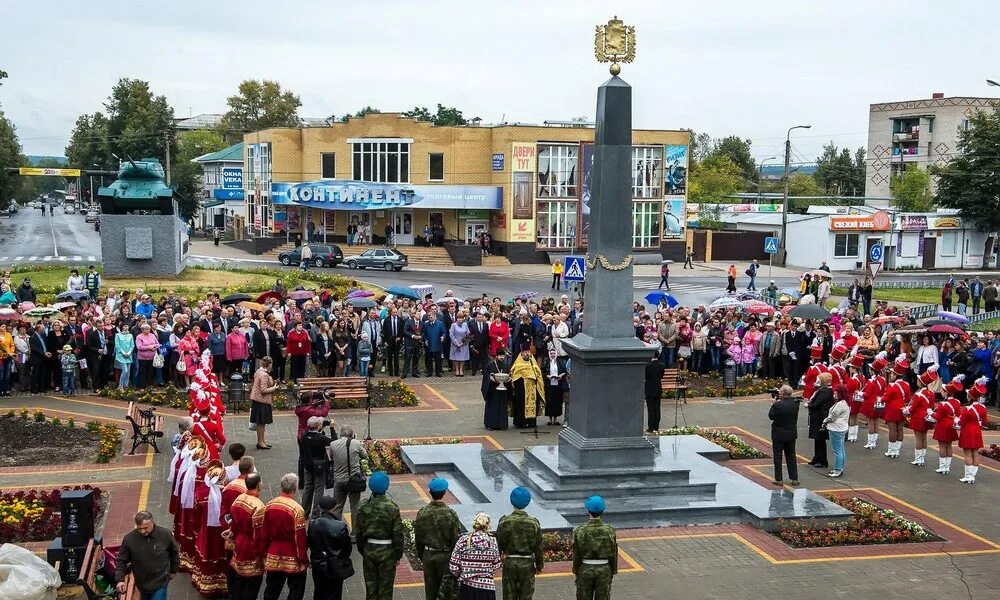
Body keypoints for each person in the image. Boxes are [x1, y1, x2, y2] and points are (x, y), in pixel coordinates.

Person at [355, 471, 404, 600]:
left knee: (371, 589)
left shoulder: (363, 506)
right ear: (386, 487)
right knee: (386, 590)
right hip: (387, 553)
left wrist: (363, 550)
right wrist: (398, 555)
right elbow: (398, 535)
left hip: (369, 550)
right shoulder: (392, 508)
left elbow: (358, 533)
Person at [261, 473, 309, 600]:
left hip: (273, 553)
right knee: (296, 590)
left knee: (271, 590)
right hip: (292, 553)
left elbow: (264, 533)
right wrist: (303, 560)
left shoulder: (269, 505)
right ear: (295, 488)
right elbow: (300, 539)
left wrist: (264, 554)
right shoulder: (297, 510)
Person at [414, 478, 462, 600]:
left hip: (429, 555)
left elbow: (418, 538)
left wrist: (423, 555)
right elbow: (456, 539)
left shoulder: (423, 513)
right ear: (445, 492)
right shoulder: (450, 514)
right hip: (446, 556)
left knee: (430, 591)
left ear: (430, 492)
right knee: (446, 591)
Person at [116, 511, 180, 600]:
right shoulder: (129, 539)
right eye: (139, 528)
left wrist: (173, 570)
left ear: (152, 523)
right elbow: (121, 560)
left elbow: (174, 553)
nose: (142, 531)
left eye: (145, 527)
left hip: (160, 582)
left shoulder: (165, 534)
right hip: (142, 584)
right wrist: (120, 580)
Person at [497, 487, 543, 600]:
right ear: (527, 502)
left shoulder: (504, 522)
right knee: (526, 596)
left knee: (508, 596)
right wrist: (539, 566)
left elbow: (499, 544)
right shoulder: (533, 524)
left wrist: (498, 560)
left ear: (511, 501)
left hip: (510, 564)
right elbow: (538, 548)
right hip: (527, 564)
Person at [227, 473, 266, 600]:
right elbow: (259, 536)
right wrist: (260, 556)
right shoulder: (258, 506)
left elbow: (232, 521)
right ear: (258, 484)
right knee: (251, 585)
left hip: (239, 544)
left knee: (239, 580)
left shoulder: (238, 499)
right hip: (251, 548)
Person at [308, 495, 354, 600]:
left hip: (318, 564)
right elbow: (347, 548)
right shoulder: (340, 526)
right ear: (333, 508)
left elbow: (310, 543)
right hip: (335, 566)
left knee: (318, 591)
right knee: (334, 593)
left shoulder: (312, 524)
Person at [572, 495, 617, 600]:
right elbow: (613, 552)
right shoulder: (610, 530)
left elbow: (577, 554)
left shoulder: (580, 531)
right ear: (602, 511)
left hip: (585, 568)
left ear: (588, 510)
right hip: (604, 569)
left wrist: (576, 571)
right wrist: (613, 570)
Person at [449, 512, 501, 600]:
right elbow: (496, 565)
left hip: (467, 587)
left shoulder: (463, 540)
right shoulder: (492, 542)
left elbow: (454, 567)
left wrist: (462, 574)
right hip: (487, 589)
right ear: (487, 525)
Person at [328, 425, 368, 531]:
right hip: (353, 480)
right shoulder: (355, 443)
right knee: (355, 506)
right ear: (352, 435)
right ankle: (354, 534)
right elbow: (365, 455)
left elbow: (331, 458)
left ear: (340, 434)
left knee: (337, 506)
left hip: (339, 480)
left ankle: (335, 532)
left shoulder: (333, 444)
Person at [300, 416, 334, 519]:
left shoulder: (304, 436)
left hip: (308, 465)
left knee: (307, 488)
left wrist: (320, 429)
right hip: (319, 466)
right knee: (319, 490)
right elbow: (334, 442)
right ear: (318, 426)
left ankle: (304, 512)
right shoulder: (321, 439)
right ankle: (315, 514)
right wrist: (332, 428)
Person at [904, 366, 939, 466]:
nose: (917, 381)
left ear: (921, 382)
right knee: (924, 437)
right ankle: (922, 458)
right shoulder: (931, 393)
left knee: (918, 438)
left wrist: (906, 410)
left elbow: (913, 408)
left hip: (918, 418)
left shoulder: (918, 394)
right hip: (927, 417)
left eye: (918, 380)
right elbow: (931, 406)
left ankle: (918, 459)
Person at [957, 377, 990, 483]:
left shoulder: (966, 409)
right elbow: (985, 422)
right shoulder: (983, 408)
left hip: (967, 432)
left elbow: (960, 423)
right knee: (975, 453)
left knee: (967, 454)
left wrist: (957, 420)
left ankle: (968, 476)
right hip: (977, 432)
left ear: (970, 397)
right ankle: (972, 476)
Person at [768, 385, 800, 485]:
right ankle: (794, 478)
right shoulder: (796, 404)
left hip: (778, 434)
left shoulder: (777, 405)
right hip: (791, 433)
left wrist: (773, 404)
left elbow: (771, 416)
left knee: (778, 456)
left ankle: (779, 479)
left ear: (782, 394)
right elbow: (790, 400)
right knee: (791, 455)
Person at [882, 356, 911, 458]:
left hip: (892, 409)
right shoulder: (906, 385)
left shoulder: (891, 385)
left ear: (895, 375)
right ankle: (897, 451)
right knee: (900, 429)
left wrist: (880, 399)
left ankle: (891, 450)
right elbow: (907, 399)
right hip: (902, 409)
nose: (891, 376)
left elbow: (885, 398)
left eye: (892, 374)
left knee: (892, 430)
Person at [510, 345, 544, 429]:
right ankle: (520, 423)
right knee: (520, 405)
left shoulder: (533, 363)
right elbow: (513, 374)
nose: (527, 354)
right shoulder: (517, 364)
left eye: (528, 352)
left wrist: (535, 377)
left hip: (532, 389)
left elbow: (538, 374)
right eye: (525, 352)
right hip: (521, 389)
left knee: (532, 404)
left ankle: (531, 422)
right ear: (521, 353)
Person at [249, 356, 279, 450]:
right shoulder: (264, 375)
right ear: (269, 364)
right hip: (262, 401)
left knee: (261, 423)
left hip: (257, 401)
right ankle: (260, 442)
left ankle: (262, 441)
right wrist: (274, 388)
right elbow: (263, 390)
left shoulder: (258, 371)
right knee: (261, 423)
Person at [861, 352, 889, 449]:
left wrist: (860, 393)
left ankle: (870, 442)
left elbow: (867, 394)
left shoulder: (871, 381)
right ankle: (874, 441)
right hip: (878, 402)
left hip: (870, 403)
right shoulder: (882, 379)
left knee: (870, 422)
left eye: (870, 369)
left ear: (873, 371)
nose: (869, 370)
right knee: (876, 421)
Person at [806, 372, 834, 469]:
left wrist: (809, 405)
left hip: (821, 418)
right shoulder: (823, 390)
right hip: (818, 417)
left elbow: (817, 404)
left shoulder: (826, 391)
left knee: (820, 439)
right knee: (817, 439)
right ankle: (817, 458)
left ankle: (822, 460)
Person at [824, 384, 850, 477]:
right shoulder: (846, 402)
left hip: (836, 428)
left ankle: (837, 469)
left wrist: (825, 420)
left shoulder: (839, 404)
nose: (834, 393)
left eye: (836, 392)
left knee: (837, 450)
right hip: (842, 428)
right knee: (841, 449)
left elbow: (833, 417)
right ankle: (840, 468)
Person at [482, 347, 511, 430]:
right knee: (493, 407)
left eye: (503, 356)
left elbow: (509, 375)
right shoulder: (490, 365)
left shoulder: (506, 366)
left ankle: (502, 424)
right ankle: (491, 424)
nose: (502, 357)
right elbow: (485, 377)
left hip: (503, 390)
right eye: (500, 356)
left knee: (502, 407)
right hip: (492, 390)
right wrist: (490, 379)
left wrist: (509, 379)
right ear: (496, 356)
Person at [542, 347, 568, 426]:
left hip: (558, 385)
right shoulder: (546, 362)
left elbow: (564, 371)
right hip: (549, 385)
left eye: (554, 353)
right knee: (549, 402)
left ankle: (556, 419)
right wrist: (547, 376)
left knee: (557, 402)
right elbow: (542, 372)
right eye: (551, 353)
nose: (552, 355)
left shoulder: (560, 362)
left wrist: (561, 376)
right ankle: (550, 419)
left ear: (556, 354)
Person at [644, 352, 665, 433]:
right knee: (657, 408)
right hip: (658, 387)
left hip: (649, 388)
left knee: (650, 409)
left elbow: (646, 376)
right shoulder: (662, 365)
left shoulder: (647, 365)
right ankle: (656, 426)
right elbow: (661, 376)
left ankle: (650, 427)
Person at [450, 312, 471, 377]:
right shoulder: (453, 325)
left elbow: (469, 334)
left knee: (462, 357)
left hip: (463, 344)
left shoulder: (465, 324)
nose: (459, 319)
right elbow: (451, 334)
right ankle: (457, 370)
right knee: (456, 358)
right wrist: (456, 343)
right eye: (458, 318)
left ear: (463, 319)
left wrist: (464, 342)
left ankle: (461, 369)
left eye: (461, 318)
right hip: (455, 343)